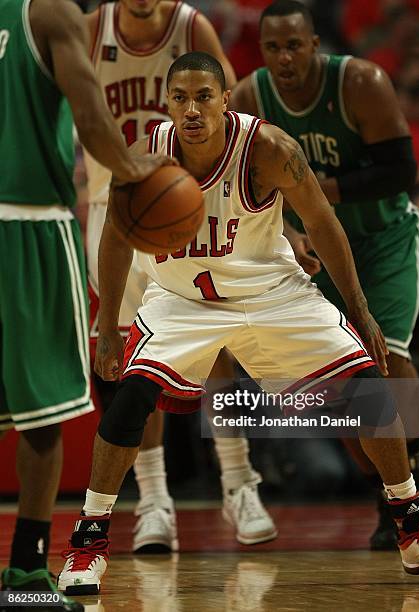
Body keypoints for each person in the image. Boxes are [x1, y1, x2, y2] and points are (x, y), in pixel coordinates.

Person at [57, 51, 419, 595]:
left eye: (203, 96)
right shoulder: (147, 157)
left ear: (224, 99)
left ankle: (412, 525)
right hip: (182, 299)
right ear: (166, 103)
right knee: (130, 398)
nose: (191, 109)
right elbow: (115, 237)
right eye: (180, 98)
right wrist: (108, 326)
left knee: (367, 387)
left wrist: (360, 311)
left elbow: (323, 223)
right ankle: (89, 541)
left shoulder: (269, 149)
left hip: (272, 293)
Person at [228, 0, 419, 550]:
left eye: (294, 45)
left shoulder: (360, 82)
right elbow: (249, 185)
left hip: (381, 239)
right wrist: (291, 232)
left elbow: (402, 170)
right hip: (312, 248)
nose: (283, 57)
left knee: (388, 354)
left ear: (315, 44)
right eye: (273, 47)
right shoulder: (252, 97)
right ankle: (385, 493)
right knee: (334, 386)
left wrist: (327, 191)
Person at [84, 0, 276, 553]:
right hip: (116, 208)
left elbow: (230, 101)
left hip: (190, 203)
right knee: (131, 361)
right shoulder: (90, 30)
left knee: (218, 346)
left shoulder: (191, 26)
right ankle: (153, 500)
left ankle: (239, 482)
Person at [0, 0, 169, 608]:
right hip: (26, 225)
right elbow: (93, 117)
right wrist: (132, 168)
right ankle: (23, 576)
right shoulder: (50, 13)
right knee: (44, 416)